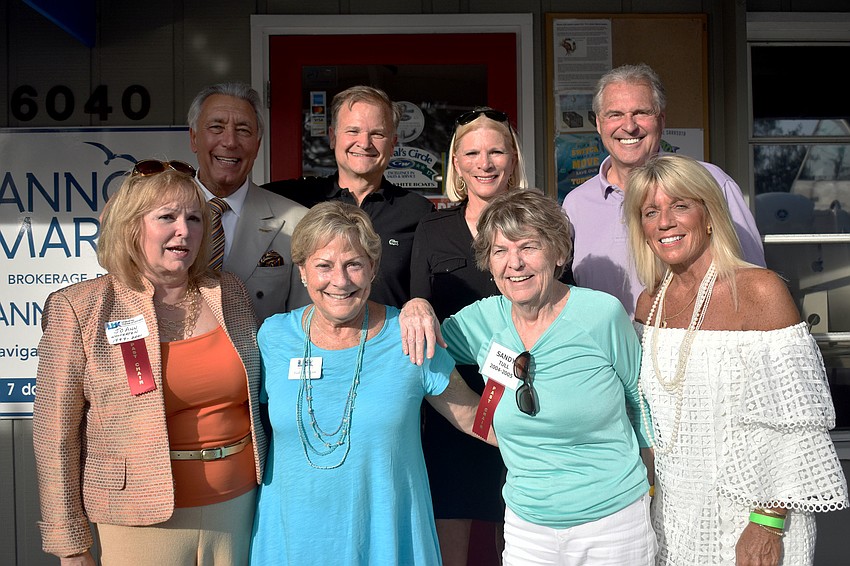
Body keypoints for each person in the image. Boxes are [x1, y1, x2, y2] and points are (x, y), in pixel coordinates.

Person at [33, 162, 265, 565]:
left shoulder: (229, 293)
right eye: (167, 217)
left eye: (194, 218)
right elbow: (55, 435)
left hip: (240, 508)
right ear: (130, 226)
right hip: (138, 518)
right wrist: (70, 544)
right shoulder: (81, 308)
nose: (185, 230)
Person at [624, 154, 848, 565]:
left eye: (680, 206)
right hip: (672, 518)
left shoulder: (760, 291)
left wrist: (766, 524)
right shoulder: (648, 304)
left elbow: (797, 425)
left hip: (754, 519)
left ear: (709, 215)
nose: (665, 222)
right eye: (651, 211)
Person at [249, 201, 494, 565]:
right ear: (301, 271)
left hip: (385, 540)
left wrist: (563, 436)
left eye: (354, 264)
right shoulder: (273, 337)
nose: (341, 280)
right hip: (291, 542)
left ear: (374, 268)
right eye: (323, 265)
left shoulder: (409, 335)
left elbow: (476, 417)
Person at [439, 189, 656, 565]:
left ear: (558, 253)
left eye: (529, 247)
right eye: (500, 251)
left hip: (613, 523)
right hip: (527, 529)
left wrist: (655, 489)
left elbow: (640, 401)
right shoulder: (479, 322)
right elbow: (416, 355)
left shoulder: (601, 315)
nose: (515, 263)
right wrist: (472, 417)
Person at [410, 107, 528, 565]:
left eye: (496, 151)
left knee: (519, 536)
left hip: (524, 398)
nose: (486, 163)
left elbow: (564, 302)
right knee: (450, 532)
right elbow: (418, 308)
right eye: (473, 152)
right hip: (452, 402)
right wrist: (417, 307)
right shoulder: (433, 228)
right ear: (456, 163)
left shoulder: (541, 221)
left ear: (513, 159)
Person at [561, 63, 765, 317]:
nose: (629, 126)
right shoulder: (576, 204)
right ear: (599, 124)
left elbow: (754, 279)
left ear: (662, 120)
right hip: (609, 354)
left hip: (692, 347)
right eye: (615, 115)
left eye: (641, 112)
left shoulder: (709, 182)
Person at [263, 85, 435, 308]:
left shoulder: (417, 212)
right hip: (310, 340)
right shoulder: (294, 200)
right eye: (353, 131)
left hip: (388, 340)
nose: (364, 143)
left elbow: (426, 297)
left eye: (377, 134)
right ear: (333, 137)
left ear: (392, 144)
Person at [188, 82, 310, 321]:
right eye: (216, 127)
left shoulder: (297, 222)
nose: (230, 142)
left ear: (257, 145)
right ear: (194, 139)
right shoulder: (156, 215)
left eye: (243, 130)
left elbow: (303, 323)